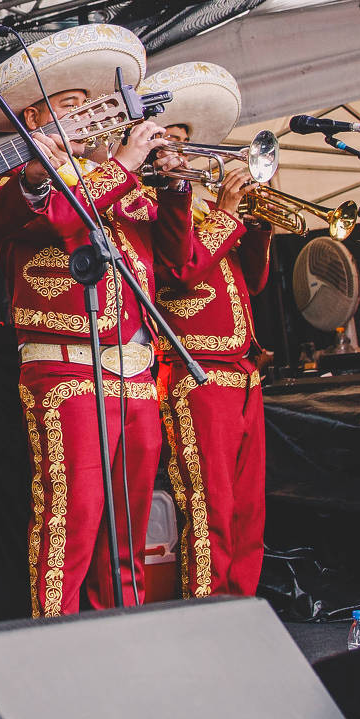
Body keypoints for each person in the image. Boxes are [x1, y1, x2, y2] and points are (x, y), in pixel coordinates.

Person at [0, 26, 174, 615]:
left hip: (135, 371)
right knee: (68, 525)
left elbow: (181, 260)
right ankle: (56, 645)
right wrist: (124, 163)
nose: (93, 118)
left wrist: (175, 184)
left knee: (128, 530)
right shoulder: (7, 185)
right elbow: (59, 218)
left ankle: (120, 640)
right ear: (33, 116)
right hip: (66, 371)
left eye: (93, 107)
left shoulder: (117, 182)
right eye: (74, 108)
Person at [142, 62, 275, 599]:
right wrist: (225, 212)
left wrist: (257, 226)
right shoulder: (150, 206)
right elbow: (178, 271)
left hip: (243, 373)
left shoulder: (200, 208)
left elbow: (255, 285)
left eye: (181, 143)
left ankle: (243, 606)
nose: (177, 154)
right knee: (210, 508)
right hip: (194, 375)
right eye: (164, 144)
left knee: (249, 509)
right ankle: (210, 611)